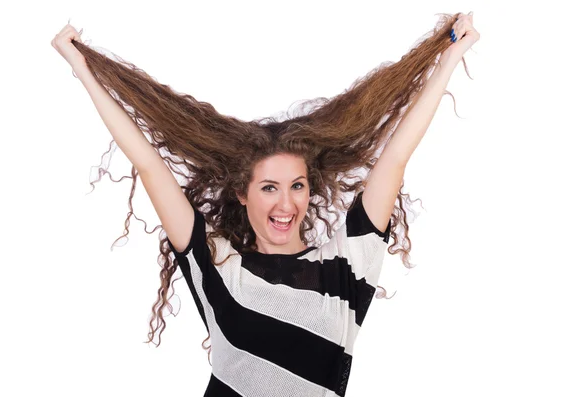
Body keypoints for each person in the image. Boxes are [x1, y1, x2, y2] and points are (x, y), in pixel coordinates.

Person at [52, 12, 479, 396]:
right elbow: (147, 162)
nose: (286, 202)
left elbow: (396, 158)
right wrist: (84, 69)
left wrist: (448, 60)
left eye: (297, 186)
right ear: (243, 194)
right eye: (269, 188)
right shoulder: (218, 264)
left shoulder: (345, 266)